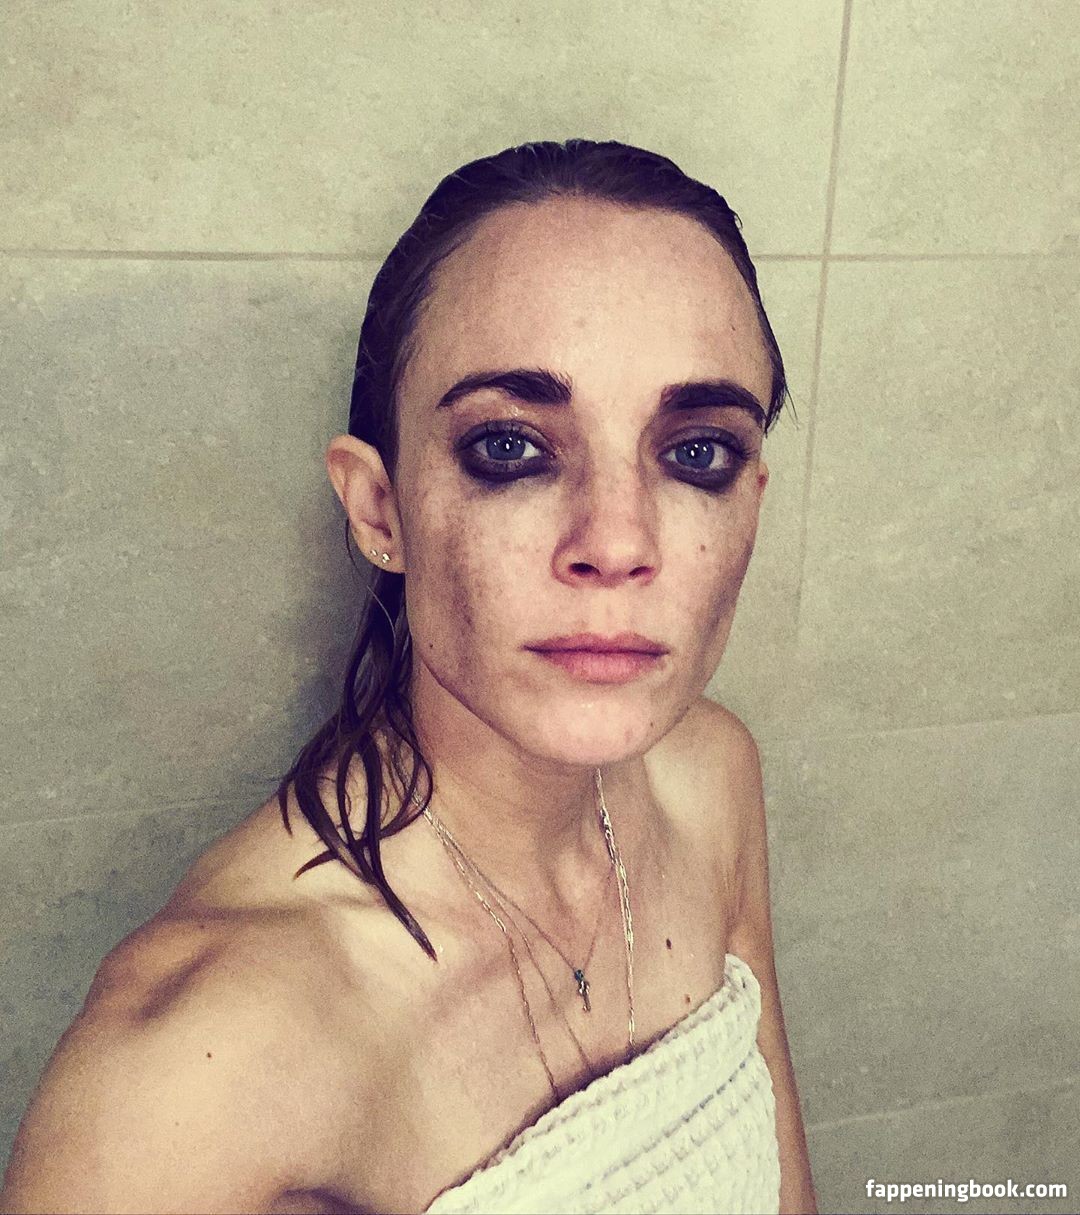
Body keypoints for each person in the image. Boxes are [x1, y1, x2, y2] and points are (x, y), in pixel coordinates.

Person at [1, 139, 817, 1214]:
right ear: (378, 508)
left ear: (751, 498)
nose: (618, 542)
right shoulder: (187, 1073)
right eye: (511, 449)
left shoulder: (710, 776)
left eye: (697, 453)